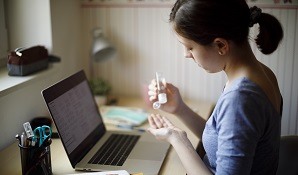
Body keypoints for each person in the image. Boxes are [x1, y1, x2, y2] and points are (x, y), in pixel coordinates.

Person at [147, 0, 284, 174]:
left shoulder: (240, 98)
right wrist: (179, 108)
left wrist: (178, 140)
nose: (186, 55)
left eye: (190, 47)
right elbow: (225, 138)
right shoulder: (261, 73)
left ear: (220, 45)